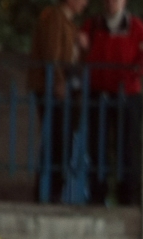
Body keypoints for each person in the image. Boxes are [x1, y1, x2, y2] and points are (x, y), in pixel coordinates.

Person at [82, 0, 143, 205]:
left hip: (127, 95)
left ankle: (128, 196)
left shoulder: (136, 27)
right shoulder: (92, 25)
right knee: (96, 146)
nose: (112, 2)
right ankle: (96, 193)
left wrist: (132, 76)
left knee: (127, 147)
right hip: (97, 93)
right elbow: (80, 54)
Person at [28, 0, 89, 202]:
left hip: (63, 89)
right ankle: (48, 193)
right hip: (52, 89)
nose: (85, 3)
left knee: (61, 141)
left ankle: (52, 191)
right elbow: (52, 54)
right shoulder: (55, 17)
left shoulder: (69, 22)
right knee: (57, 140)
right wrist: (58, 83)